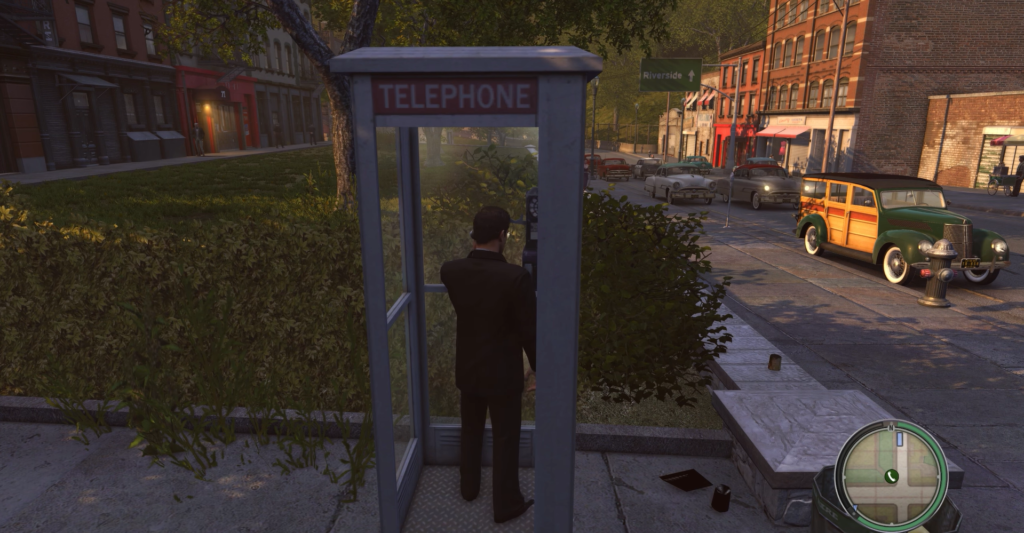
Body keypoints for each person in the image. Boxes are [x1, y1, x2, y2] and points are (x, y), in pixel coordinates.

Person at [440, 206, 536, 524]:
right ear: (502, 235)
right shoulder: (516, 278)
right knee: (505, 437)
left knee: (471, 430)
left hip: (468, 367)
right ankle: (506, 503)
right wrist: (537, 368)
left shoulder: (450, 271)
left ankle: (469, 488)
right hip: (503, 373)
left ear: (473, 234)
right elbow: (528, 332)